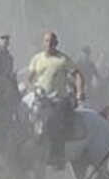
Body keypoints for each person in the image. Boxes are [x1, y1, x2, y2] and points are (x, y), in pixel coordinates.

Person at [26, 31, 84, 165]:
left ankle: (57, 155)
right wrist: (31, 87)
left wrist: (79, 92)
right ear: (43, 43)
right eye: (46, 41)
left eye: (52, 42)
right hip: (41, 98)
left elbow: (77, 75)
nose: (49, 44)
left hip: (58, 99)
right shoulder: (37, 59)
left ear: (56, 43)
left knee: (57, 120)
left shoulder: (63, 59)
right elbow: (29, 79)